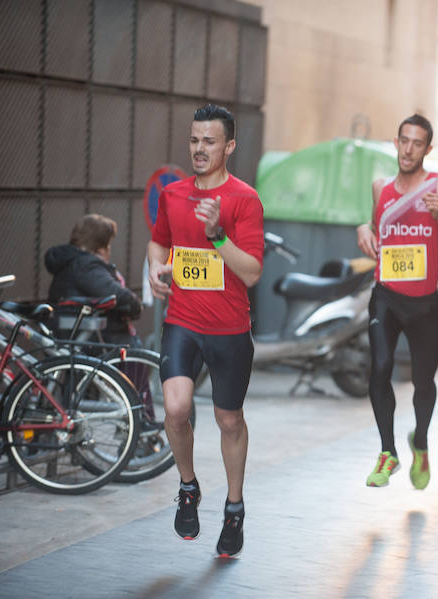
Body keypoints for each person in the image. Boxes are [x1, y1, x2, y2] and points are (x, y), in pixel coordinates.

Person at [147, 104, 264, 558]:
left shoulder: (244, 199)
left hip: (230, 329)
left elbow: (252, 271)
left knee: (228, 419)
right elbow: (160, 241)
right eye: (194, 140)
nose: (199, 148)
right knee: (176, 410)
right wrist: (158, 269)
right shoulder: (174, 195)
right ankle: (189, 486)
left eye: (209, 141)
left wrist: (217, 234)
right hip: (182, 321)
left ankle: (234, 507)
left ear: (229, 146)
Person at [356, 114, 438, 489]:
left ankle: (419, 442)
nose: (408, 149)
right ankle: (388, 452)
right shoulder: (380, 187)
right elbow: (375, 230)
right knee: (381, 366)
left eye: (417, 143)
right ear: (396, 142)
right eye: (403, 140)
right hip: (386, 295)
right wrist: (363, 231)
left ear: (428, 149)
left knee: (423, 381)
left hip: (424, 303)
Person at [44, 214, 142, 345]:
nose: (109, 250)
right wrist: (136, 306)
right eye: (108, 245)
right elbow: (116, 294)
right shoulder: (86, 266)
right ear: (100, 248)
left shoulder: (71, 261)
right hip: (95, 340)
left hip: (71, 334)